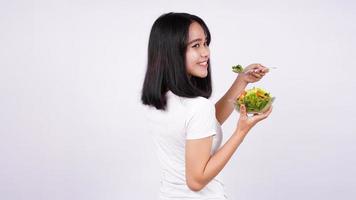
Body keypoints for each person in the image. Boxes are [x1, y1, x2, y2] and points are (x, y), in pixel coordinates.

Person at [140, 12, 273, 200]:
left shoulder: (158, 100)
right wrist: (241, 131)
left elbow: (202, 127)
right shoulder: (197, 108)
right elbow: (196, 181)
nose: (205, 53)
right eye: (196, 45)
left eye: (205, 43)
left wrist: (242, 80)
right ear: (172, 51)